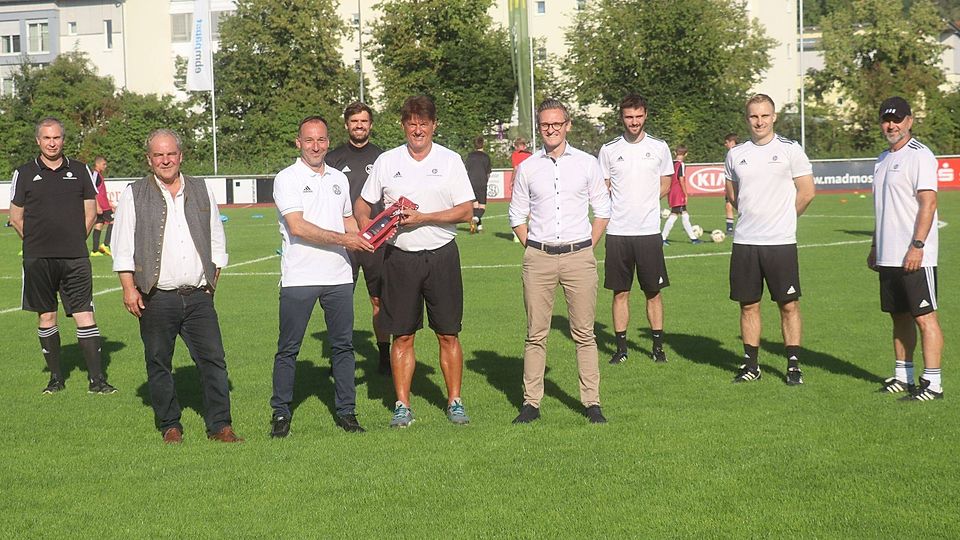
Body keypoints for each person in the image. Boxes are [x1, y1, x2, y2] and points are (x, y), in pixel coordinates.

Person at [112, 128, 241, 444]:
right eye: (158, 155)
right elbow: (122, 246)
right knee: (158, 362)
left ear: (180, 156)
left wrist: (212, 283)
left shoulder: (200, 189)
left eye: (170, 154)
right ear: (149, 159)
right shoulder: (134, 193)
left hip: (198, 296)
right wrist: (129, 288)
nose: (165, 160)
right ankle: (170, 425)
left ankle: (220, 426)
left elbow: (215, 238)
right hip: (156, 297)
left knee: (213, 361)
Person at [355, 95, 475, 428]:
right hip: (399, 259)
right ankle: (402, 405)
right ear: (403, 125)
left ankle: (455, 401)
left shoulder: (450, 160)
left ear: (434, 125)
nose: (417, 129)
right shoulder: (387, 161)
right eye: (411, 123)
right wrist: (370, 232)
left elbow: (465, 211)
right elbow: (363, 204)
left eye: (423, 123)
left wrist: (424, 218)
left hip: (441, 255)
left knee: (448, 334)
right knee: (402, 335)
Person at [269, 116, 375, 438]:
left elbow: (348, 222)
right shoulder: (286, 178)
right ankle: (281, 413)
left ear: (328, 142)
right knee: (289, 348)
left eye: (322, 140)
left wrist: (375, 235)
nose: (316, 146)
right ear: (298, 142)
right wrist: (347, 240)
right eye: (309, 140)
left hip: (339, 275)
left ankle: (347, 412)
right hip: (299, 277)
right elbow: (298, 227)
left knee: (342, 347)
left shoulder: (338, 180)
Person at [509, 98, 611, 424]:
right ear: (539, 127)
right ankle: (531, 403)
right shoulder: (528, 167)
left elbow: (603, 210)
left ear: (568, 125)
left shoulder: (587, 163)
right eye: (545, 124)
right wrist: (534, 249)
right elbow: (516, 215)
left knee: (584, 333)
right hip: (538, 257)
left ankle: (592, 403)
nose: (551, 129)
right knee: (536, 333)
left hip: (579, 256)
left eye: (557, 123)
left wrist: (585, 248)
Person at [8, 117, 116, 395]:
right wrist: (36, 242)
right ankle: (56, 379)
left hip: (74, 258)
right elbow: (16, 217)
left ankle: (97, 381)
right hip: (38, 259)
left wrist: (73, 241)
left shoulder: (80, 171)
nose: (52, 143)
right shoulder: (24, 172)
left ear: (63, 140)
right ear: (38, 141)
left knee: (85, 314)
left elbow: (91, 213)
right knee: (47, 317)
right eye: (46, 138)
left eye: (56, 138)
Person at [724, 94, 815, 385]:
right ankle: (751, 365)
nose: (759, 121)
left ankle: (793, 365)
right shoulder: (736, 154)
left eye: (764, 115)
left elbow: (807, 192)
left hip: (780, 243)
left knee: (788, 304)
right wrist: (753, 214)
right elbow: (732, 194)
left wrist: (786, 219)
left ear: (774, 117)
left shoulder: (790, 150)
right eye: (753, 116)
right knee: (748, 305)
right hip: (746, 242)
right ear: (747, 118)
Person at [868, 96, 944, 401]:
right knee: (898, 316)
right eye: (886, 120)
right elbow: (881, 208)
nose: (891, 125)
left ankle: (933, 383)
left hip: (915, 255)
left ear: (909, 121)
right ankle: (903, 376)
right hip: (888, 254)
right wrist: (875, 245)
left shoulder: (920, 156)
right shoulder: (881, 159)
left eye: (897, 119)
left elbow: (929, 202)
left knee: (925, 317)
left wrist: (917, 246)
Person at [598, 94, 674, 366]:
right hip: (618, 232)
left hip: (649, 232)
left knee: (653, 292)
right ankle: (621, 348)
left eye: (638, 116)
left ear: (645, 115)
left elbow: (666, 183)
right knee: (620, 292)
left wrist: (645, 204)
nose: (634, 121)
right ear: (622, 117)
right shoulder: (608, 149)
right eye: (629, 117)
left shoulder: (659, 147)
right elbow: (603, 186)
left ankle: (657, 347)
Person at [325, 102, 391, 375]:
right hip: (345, 243)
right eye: (355, 122)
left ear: (370, 125)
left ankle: (384, 357)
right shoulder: (333, 158)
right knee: (341, 300)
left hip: (377, 242)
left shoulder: (384, 158)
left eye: (364, 121)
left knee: (379, 301)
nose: (359, 126)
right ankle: (339, 357)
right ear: (347, 125)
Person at [661, 145, 701, 245]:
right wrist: (685, 193)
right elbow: (681, 179)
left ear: (675, 153)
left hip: (671, 191)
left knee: (679, 214)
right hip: (678, 191)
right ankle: (663, 238)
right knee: (680, 214)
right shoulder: (681, 164)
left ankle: (693, 238)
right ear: (686, 154)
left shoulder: (670, 164)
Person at [465, 136, 492, 234]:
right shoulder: (486, 157)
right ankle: (476, 219)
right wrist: (486, 181)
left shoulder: (470, 156)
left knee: (475, 207)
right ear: (483, 144)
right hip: (482, 183)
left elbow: (466, 169)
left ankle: (479, 227)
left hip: (471, 183)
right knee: (482, 207)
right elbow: (488, 172)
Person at [90, 156, 114, 257]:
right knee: (114, 221)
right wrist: (97, 205)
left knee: (99, 224)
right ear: (97, 164)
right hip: (102, 206)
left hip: (104, 205)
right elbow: (92, 189)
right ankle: (105, 244)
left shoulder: (99, 175)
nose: (105, 166)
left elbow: (101, 192)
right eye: (104, 164)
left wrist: (110, 204)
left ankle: (95, 251)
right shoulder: (95, 174)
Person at [723, 133, 738, 234]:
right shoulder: (729, 154)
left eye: (726, 142)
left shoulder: (741, 152)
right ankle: (729, 229)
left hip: (741, 185)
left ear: (732, 142)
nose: (725, 144)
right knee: (728, 205)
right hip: (731, 185)